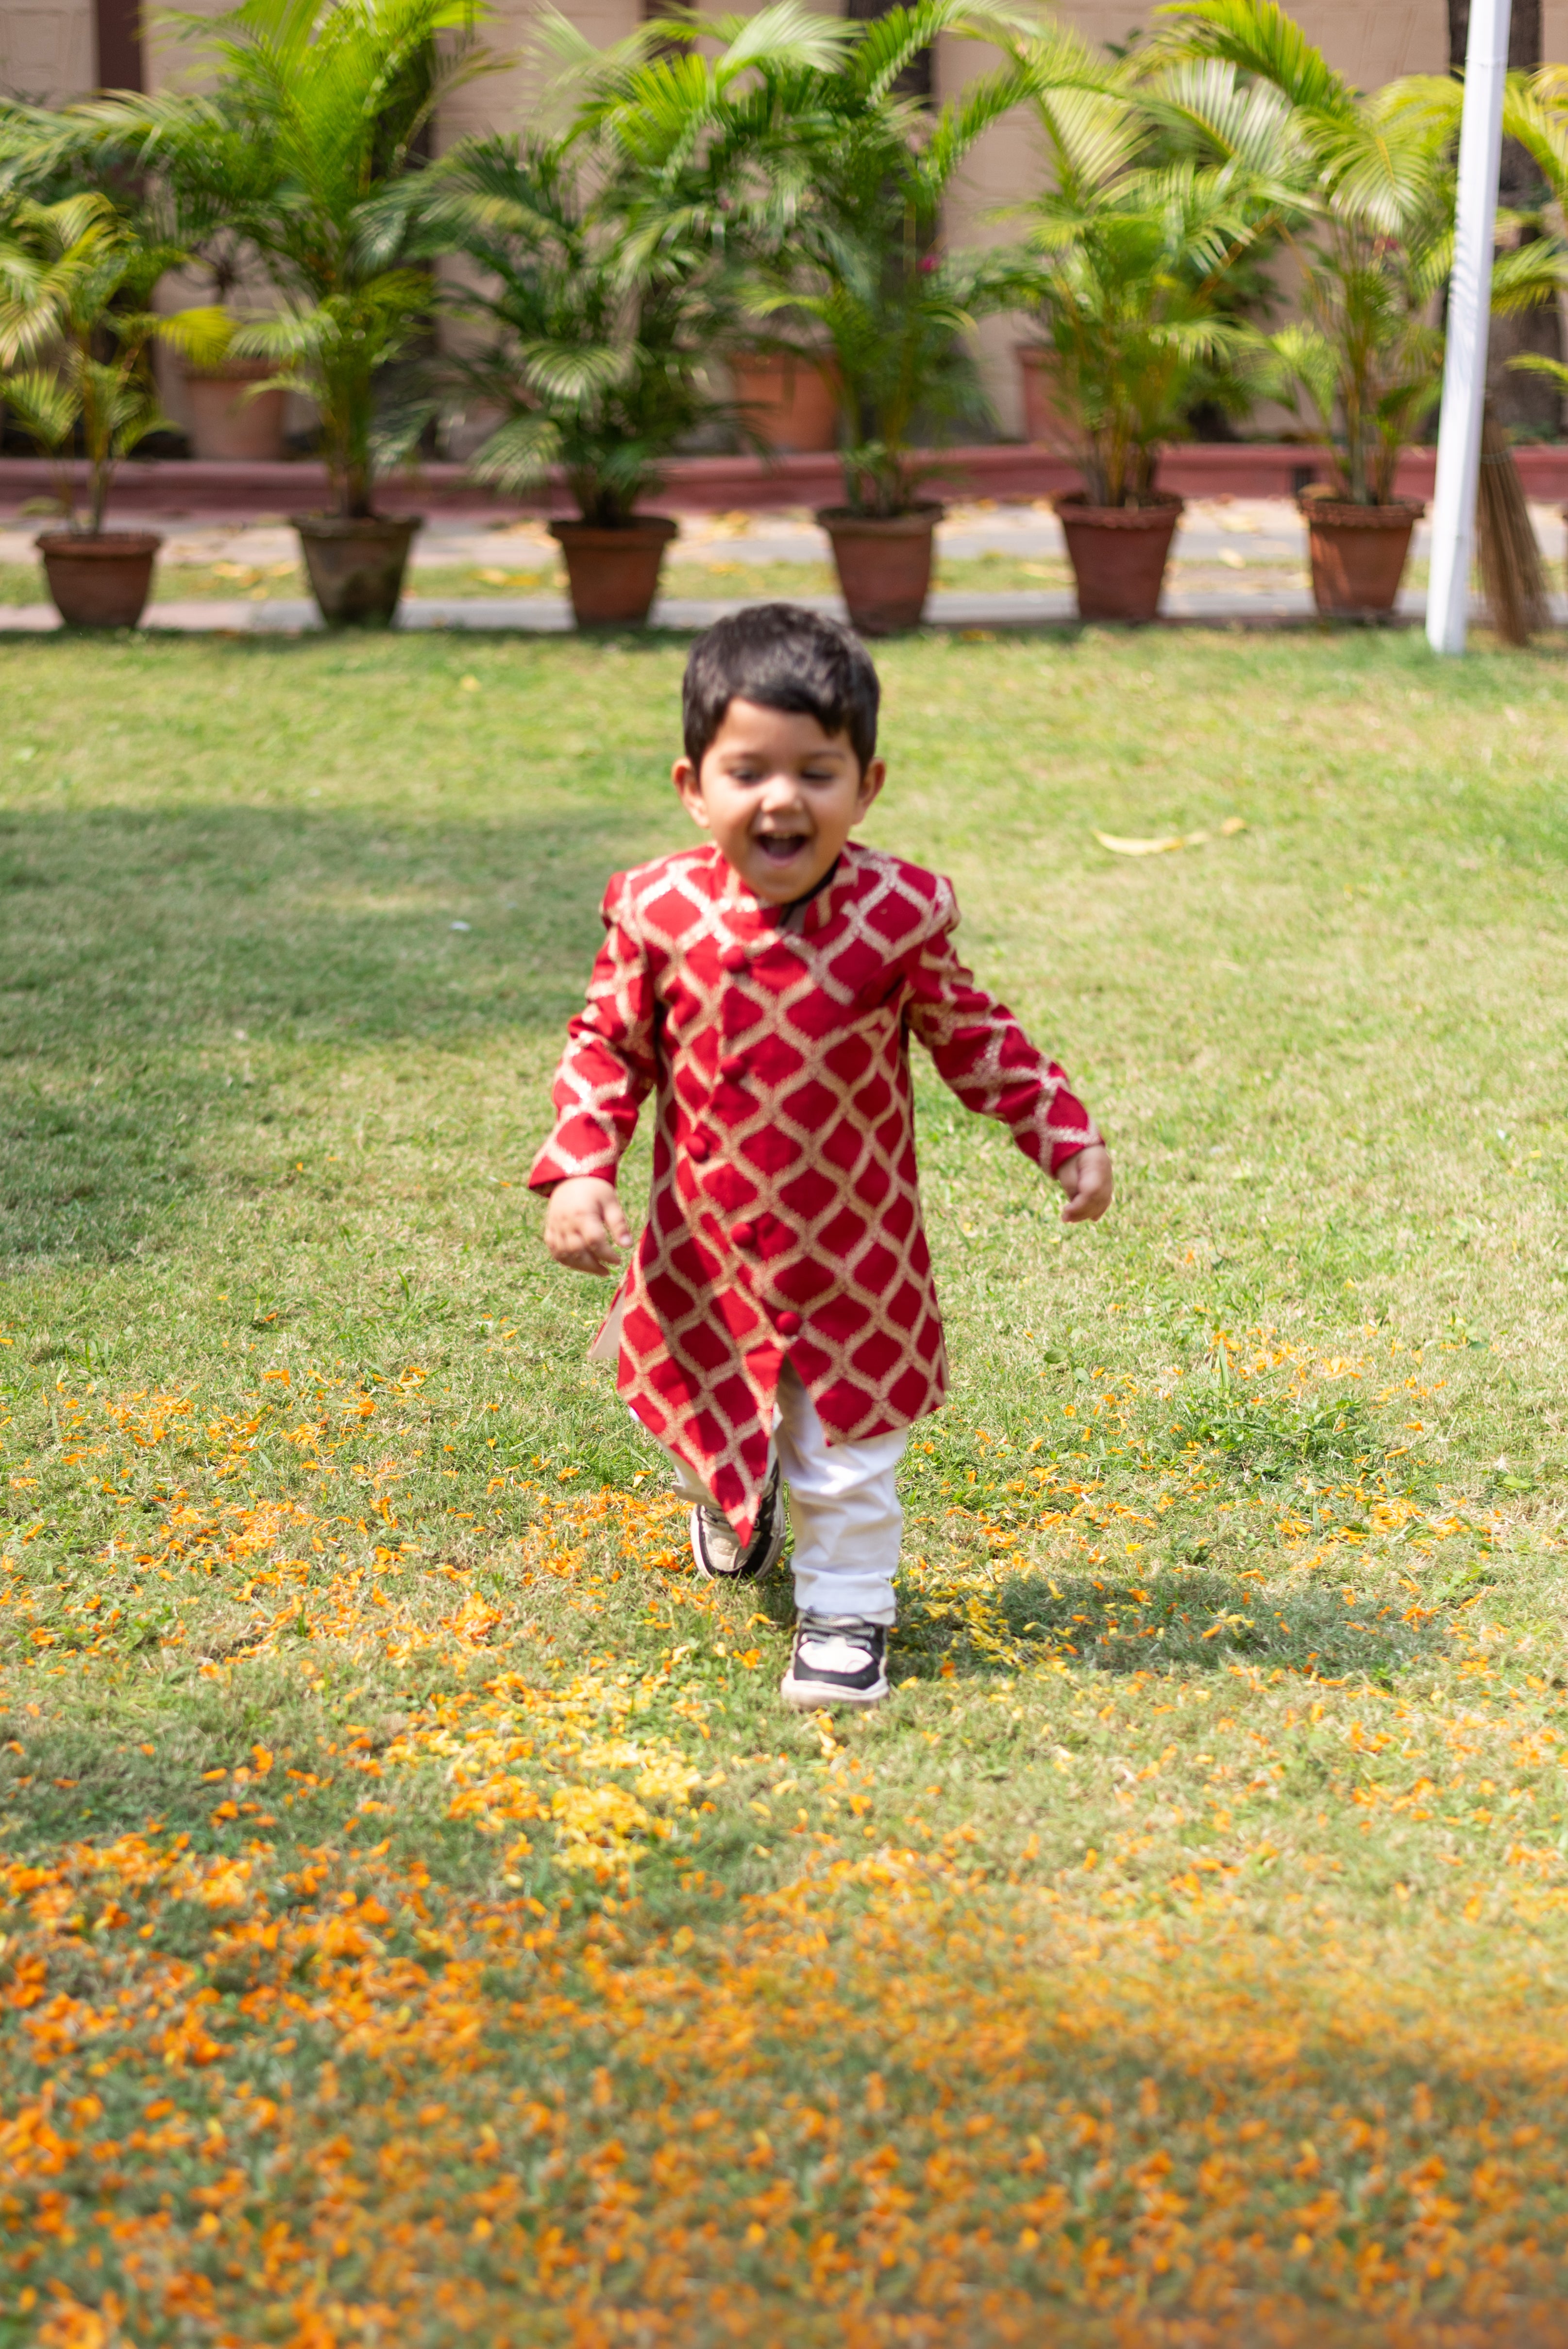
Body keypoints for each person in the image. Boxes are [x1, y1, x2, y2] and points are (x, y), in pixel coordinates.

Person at [530, 605, 1113, 1710]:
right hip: (705, 1246)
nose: (782, 799)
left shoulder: (897, 915)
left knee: (844, 1450)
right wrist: (582, 1166)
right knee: (707, 1406)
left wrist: (1060, 1129)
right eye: (748, 771)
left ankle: (846, 1611)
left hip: (856, 1254)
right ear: (694, 786)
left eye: (817, 771)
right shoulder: (656, 914)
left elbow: (973, 1036)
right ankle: (731, 1495)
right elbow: (608, 1045)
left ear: (867, 784)